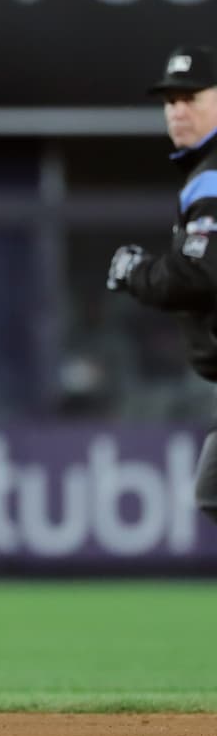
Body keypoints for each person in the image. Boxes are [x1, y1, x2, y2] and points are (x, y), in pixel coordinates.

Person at [107, 44, 217, 526]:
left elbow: (199, 271)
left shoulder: (212, 176)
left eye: (192, 97)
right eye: (171, 100)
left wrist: (137, 271)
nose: (178, 109)